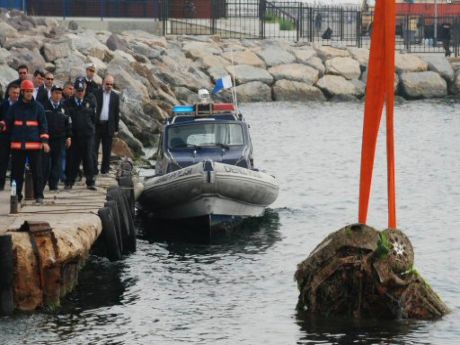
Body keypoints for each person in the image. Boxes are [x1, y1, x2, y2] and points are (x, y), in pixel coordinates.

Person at [0, 80, 49, 203]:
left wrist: (44, 141)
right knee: (16, 174)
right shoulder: (14, 108)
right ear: (22, 92)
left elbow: (43, 125)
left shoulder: (38, 107)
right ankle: (16, 196)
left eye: (30, 91)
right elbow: (7, 122)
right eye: (26, 91)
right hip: (18, 146)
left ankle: (39, 196)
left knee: (37, 172)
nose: (29, 93)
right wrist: (2, 125)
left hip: (34, 146)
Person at [64, 78, 97, 190]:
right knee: (72, 160)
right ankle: (69, 181)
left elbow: (93, 118)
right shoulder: (68, 103)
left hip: (87, 136)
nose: (80, 93)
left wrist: (90, 130)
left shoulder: (90, 102)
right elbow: (66, 119)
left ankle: (90, 182)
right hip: (74, 135)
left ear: (85, 90)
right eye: (78, 90)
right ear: (74, 90)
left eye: (82, 90)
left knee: (88, 159)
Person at [42, 84, 72, 191]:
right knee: (45, 163)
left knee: (57, 163)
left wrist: (68, 137)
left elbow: (68, 123)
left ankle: (53, 185)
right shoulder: (44, 106)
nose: (58, 95)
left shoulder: (64, 108)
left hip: (59, 139)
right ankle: (42, 183)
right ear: (51, 93)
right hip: (47, 139)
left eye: (60, 93)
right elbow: (41, 122)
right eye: (56, 93)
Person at [94, 75, 120, 175]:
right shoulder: (96, 93)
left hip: (109, 126)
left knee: (107, 150)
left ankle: (105, 170)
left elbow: (116, 113)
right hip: (97, 125)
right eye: (107, 84)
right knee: (94, 148)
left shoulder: (115, 96)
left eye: (111, 84)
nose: (109, 86)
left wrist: (116, 128)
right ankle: (94, 169)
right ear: (103, 83)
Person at [0, 84, 20, 190]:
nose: (16, 95)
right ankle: (1, 183)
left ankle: (14, 184)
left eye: (18, 93)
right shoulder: (3, 105)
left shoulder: (21, 105)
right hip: (4, 137)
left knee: (16, 162)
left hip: (17, 137)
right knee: (3, 160)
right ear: (9, 93)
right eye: (14, 93)